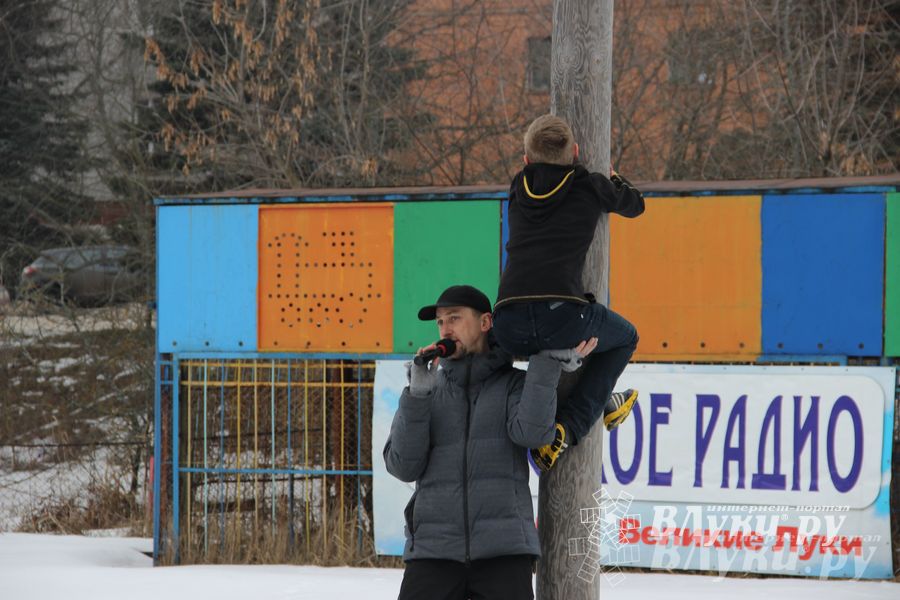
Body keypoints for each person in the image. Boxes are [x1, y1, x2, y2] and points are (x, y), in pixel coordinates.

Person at [383, 284, 595, 600]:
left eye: (454, 318)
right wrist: (417, 395)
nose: (445, 329)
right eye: (440, 322)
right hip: (433, 551)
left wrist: (546, 365)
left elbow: (533, 434)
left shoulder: (512, 385)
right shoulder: (427, 392)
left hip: (503, 551)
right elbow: (402, 465)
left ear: (485, 323)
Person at [492, 113, 645, 473]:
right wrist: (612, 177)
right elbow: (635, 204)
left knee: (569, 340)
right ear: (576, 152)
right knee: (622, 338)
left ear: (526, 160)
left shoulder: (517, 186)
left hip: (508, 320)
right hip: (561, 316)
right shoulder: (589, 184)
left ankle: (598, 399)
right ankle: (570, 427)